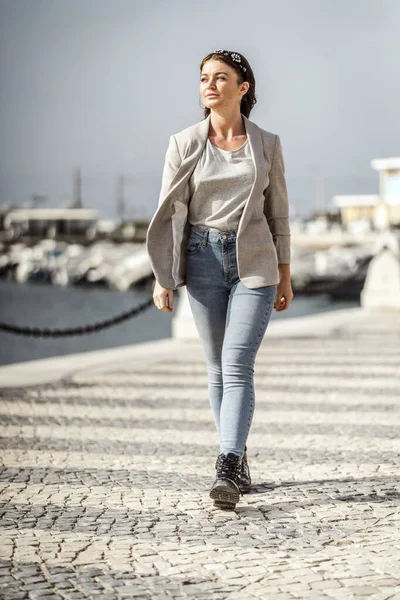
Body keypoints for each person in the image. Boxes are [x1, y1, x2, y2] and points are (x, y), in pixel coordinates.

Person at [146, 49, 293, 510]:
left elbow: (279, 213)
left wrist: (285, 274)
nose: (209, 85)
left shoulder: (267, 143)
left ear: (242, 87)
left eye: (221, 78)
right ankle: (237, 452)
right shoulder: (183, 142)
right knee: (216, 368)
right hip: (201, 257)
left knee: (236, 363)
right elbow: (170, 213)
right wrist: (163, 276)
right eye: (204, 78)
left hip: (255, 262)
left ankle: (227, 464)